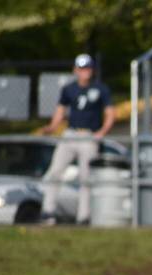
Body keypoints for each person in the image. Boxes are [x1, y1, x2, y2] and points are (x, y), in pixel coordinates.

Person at [40, 54, 114, 224]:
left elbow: (110, 113)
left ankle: (84, 216)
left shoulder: (101, 89)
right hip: (70, 134)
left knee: (85, 177)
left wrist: (102, 132)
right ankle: (48, 211)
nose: (84, 72)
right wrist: (52, 127)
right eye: (81, 69)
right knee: (55, 171)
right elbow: (61, 110)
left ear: (92, 70)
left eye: (87, 68)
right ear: (75, 70)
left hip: (88, 135)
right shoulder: (69, 89)